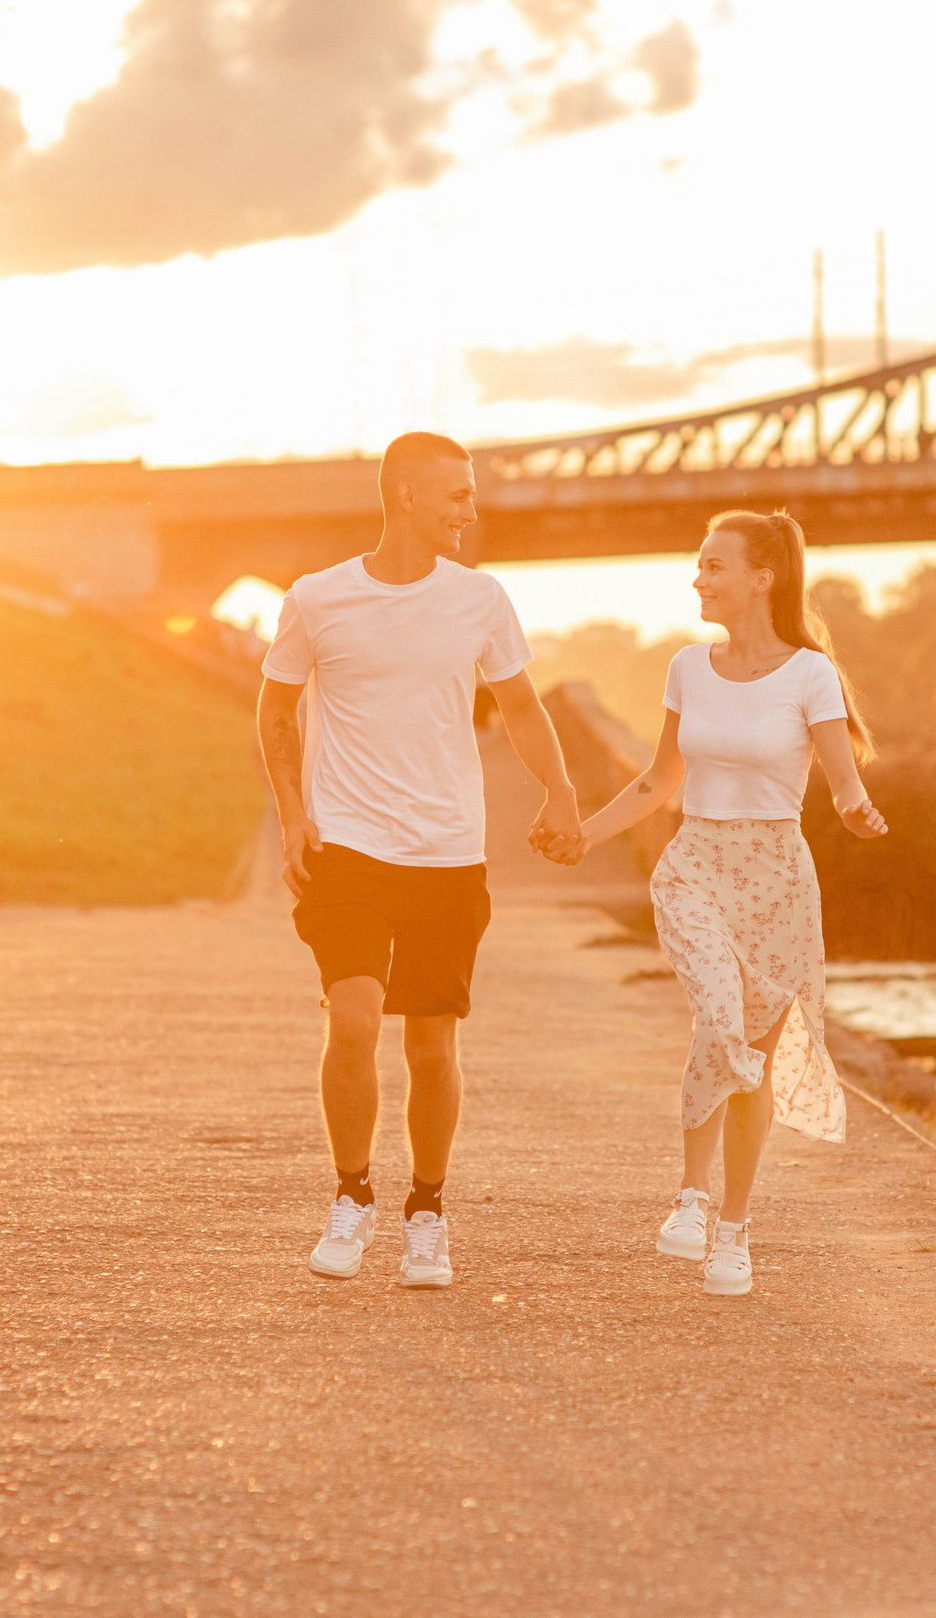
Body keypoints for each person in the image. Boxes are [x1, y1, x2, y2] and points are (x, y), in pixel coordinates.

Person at [258, 432, 585, 1290]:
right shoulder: (318, 598)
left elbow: (519, 704)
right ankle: (352, 1192)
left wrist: (559, 790)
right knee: (355, 1019)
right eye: (458, 496)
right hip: (349, 846)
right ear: (407, 495)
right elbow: (276, 709)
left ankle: (428, 1211)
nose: (471, 513)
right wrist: (293, 815)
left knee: (433, 1046)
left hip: (447, 850)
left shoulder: (481, 598)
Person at [554, 510, 886, 1296]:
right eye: (698, 566)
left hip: (776, 876)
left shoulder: (811, 676)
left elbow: (844, 783)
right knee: (718, 1018)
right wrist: (583, 836)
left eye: (713, 567)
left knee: (753, 1065)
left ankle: (734, 1230)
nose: (698, 579)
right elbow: (657, 781)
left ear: (761, 578)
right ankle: (691, 1199)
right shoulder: (687, 667)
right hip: (697, 864)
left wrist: (857, 811)